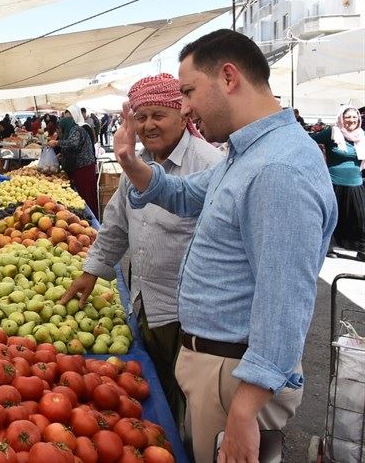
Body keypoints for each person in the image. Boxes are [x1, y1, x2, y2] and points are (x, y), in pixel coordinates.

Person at [106, 29, 336, 463]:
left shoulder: (278, 169)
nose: (186, 107)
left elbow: (284, 301)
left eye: (189, 91)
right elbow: (184, 194)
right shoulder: (249, 154)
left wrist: (245, 411)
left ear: (229, 78)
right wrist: (130, 163)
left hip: (234, 376)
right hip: (219, 370)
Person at [60, 74, 222, 423]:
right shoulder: (139, 163)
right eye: (141, 116)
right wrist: (91, 271)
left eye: (158, 115)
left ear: (183, 115)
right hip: (146, 301)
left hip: (192, 317)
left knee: (194, 405)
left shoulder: (209, 165)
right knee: (156, 393)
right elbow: (117, 223)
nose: (149, 124)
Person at [310, 105, 365, 260]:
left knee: (361, 218)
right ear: (342, 118)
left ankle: (362, 250)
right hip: (333, 183)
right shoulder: (333, 133)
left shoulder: (362, 136)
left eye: (355, 117)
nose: (351, 120)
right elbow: (309, 140)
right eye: (348, 117)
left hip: (356, 184)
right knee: (333, 217)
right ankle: (328, 247)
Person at [47, 106, 99, 216]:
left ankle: (90, 216)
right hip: (80, 166)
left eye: (68, 118)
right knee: (81, 193)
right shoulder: (74, 129)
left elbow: (73, 143)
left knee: (85, 193)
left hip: (83, 166)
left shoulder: (78, 128)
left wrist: (57, 143)